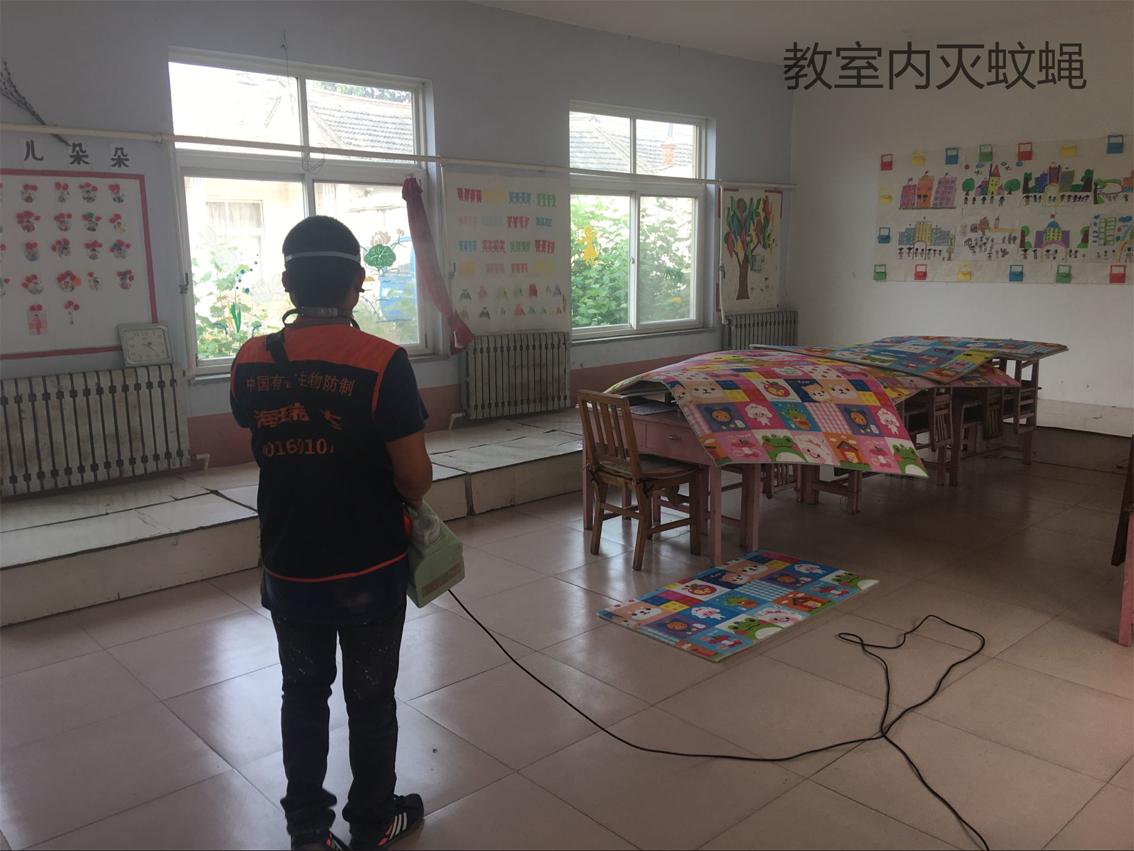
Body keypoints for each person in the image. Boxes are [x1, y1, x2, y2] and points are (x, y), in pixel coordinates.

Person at [230, 216, 432, 851]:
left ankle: (308, 832)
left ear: (288, 282)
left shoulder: (250, 359)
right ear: (357, 283)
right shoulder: (382, 362)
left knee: (302, 693)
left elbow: (254, 425)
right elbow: (415, 478)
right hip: (368, 567)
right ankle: (373, 822)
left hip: (288, 560)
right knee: (370, 700)